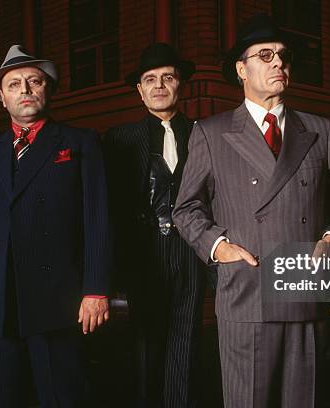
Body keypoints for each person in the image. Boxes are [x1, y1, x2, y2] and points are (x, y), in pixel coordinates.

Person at [172, 14, 330, 407]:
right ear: (242, 69)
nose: (279, 63)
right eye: (265, 55)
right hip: (247, 291)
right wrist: (219, 247)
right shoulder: (211, 132)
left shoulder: (320, 129)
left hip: (305, 291)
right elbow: (186, 208)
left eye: (283, 56)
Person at [0, 45, 111, 408]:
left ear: (47, 90)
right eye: (14, 84)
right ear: (2, 99)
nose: (25, 90)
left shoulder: (79, 143)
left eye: (34, 82)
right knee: (2, 398)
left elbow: (97, 221)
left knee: (62, 396)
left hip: (56, 296)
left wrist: (96, 289)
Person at [102, 43, 205, 407]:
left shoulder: (204, 134)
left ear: (181, 85)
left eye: (167, 77)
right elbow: (107, 207)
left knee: (186, 345)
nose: (159, 85)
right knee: (142, 348)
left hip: (192, 253)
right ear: (140, 90)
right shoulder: (118, 139)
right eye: (150, 79)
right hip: (141, 256)